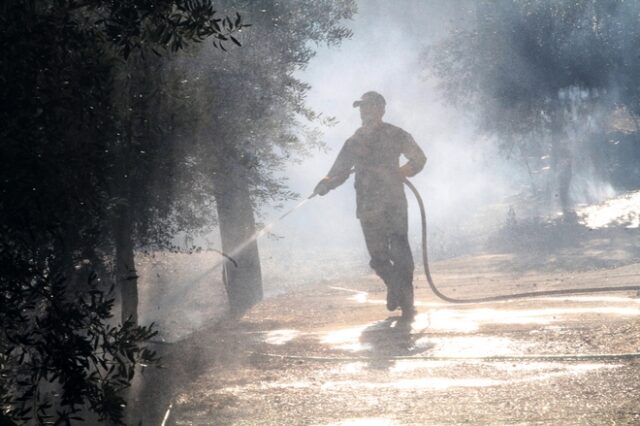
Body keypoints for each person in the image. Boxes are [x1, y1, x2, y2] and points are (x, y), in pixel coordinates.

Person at [313, 91, 426, 320]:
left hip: (394, 204)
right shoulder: (354, 142)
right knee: (379, 258)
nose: (365, 112)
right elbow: (339, 171)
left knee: (401, 252)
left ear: (381, 110)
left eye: (370, 107)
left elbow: (419, 158)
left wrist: (402, 172)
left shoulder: (396, 134)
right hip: (368, 207)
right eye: (362, 108)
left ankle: (406, 300)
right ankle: (395, 287)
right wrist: (325, 184)